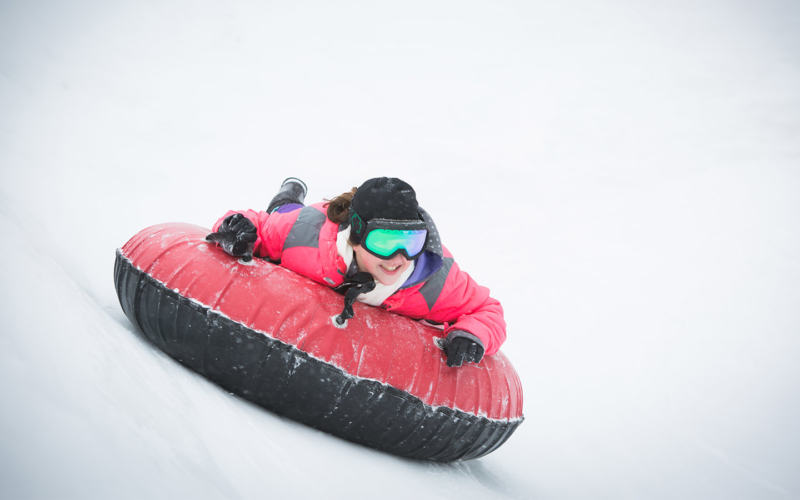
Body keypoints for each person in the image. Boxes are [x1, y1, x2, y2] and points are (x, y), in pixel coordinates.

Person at [206, 177, 506, 368]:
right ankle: (289, 194)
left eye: (411, 242)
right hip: (297, 217)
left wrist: (471, 334)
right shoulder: (303, 234)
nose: (399, 258)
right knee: (281, 211)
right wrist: (238, 229)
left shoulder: (434, 278)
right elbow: (253, 222)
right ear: (357, 235)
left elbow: (486, 310)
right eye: (384, 242)